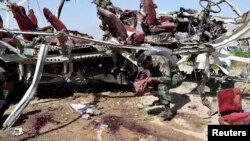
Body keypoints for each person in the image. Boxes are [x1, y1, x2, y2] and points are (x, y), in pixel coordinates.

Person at [136, 53, 184, 119]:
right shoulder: (150, 63)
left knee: (162, 86)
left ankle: (168, 111)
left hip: (176, 77)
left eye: (145, 66)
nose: (144, 68)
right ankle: (161, 100)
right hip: (166, 77)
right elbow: (155, 75)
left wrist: (152, 79)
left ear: (148, 62)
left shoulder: (162, 62)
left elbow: (167, 79)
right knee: (151, 86)